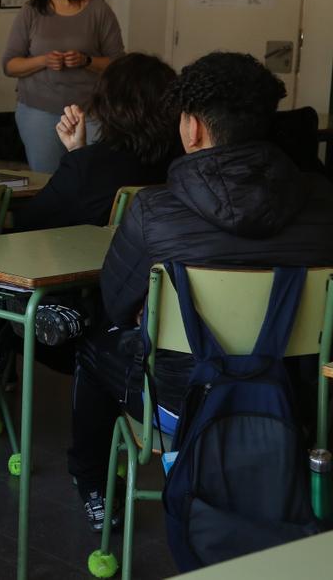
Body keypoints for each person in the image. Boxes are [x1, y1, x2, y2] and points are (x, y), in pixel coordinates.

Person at [67, 52, 333, 532]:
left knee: (93, 345)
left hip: (180, 402)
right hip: (300, 404)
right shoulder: (325, 202)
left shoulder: (153, 211)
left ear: (190, 129)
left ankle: (93, 486)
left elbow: (116, 302)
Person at [14, 53, 180, 231]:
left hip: (91, 256)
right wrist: (78, 150)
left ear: (106, 103)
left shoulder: (87, 166)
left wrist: (79, 156)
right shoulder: (183, 160)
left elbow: (29, 221)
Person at [1, 0, 125, 173]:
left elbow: (118, 64)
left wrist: (86, 61)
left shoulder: (98, 10)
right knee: (47, 180)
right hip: (39, 111)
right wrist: (43, 60)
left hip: (90, 112)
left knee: (91, 176)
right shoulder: (31, 11)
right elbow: (9, 64)